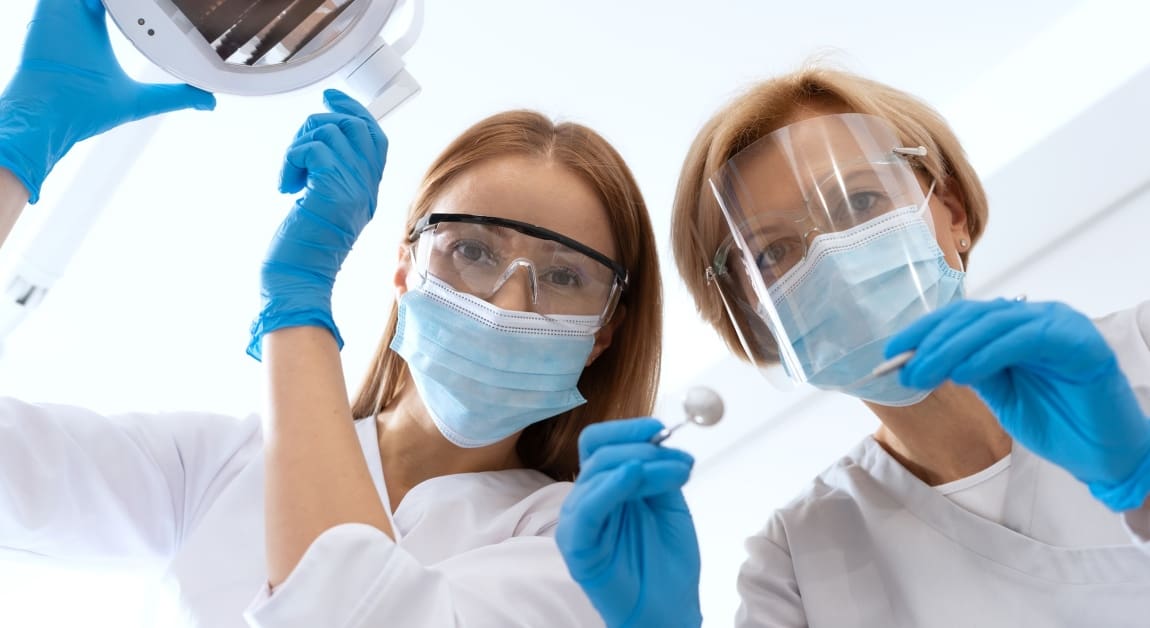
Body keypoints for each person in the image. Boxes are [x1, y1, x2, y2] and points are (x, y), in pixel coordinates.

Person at [0, 1, 664, 626]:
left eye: (562, 275)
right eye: (472, 250)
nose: (507, 303)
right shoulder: (217, 469)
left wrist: (299, 303)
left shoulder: (585, 552)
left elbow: (344, 606)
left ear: (604, 331)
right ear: (405, 269)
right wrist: (17, 145)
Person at [557, 65, 1150, 627]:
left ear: (952, 211)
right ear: (754, 321)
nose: (831, 259)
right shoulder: (796, 562)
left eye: (861, 202)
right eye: (774, 253)